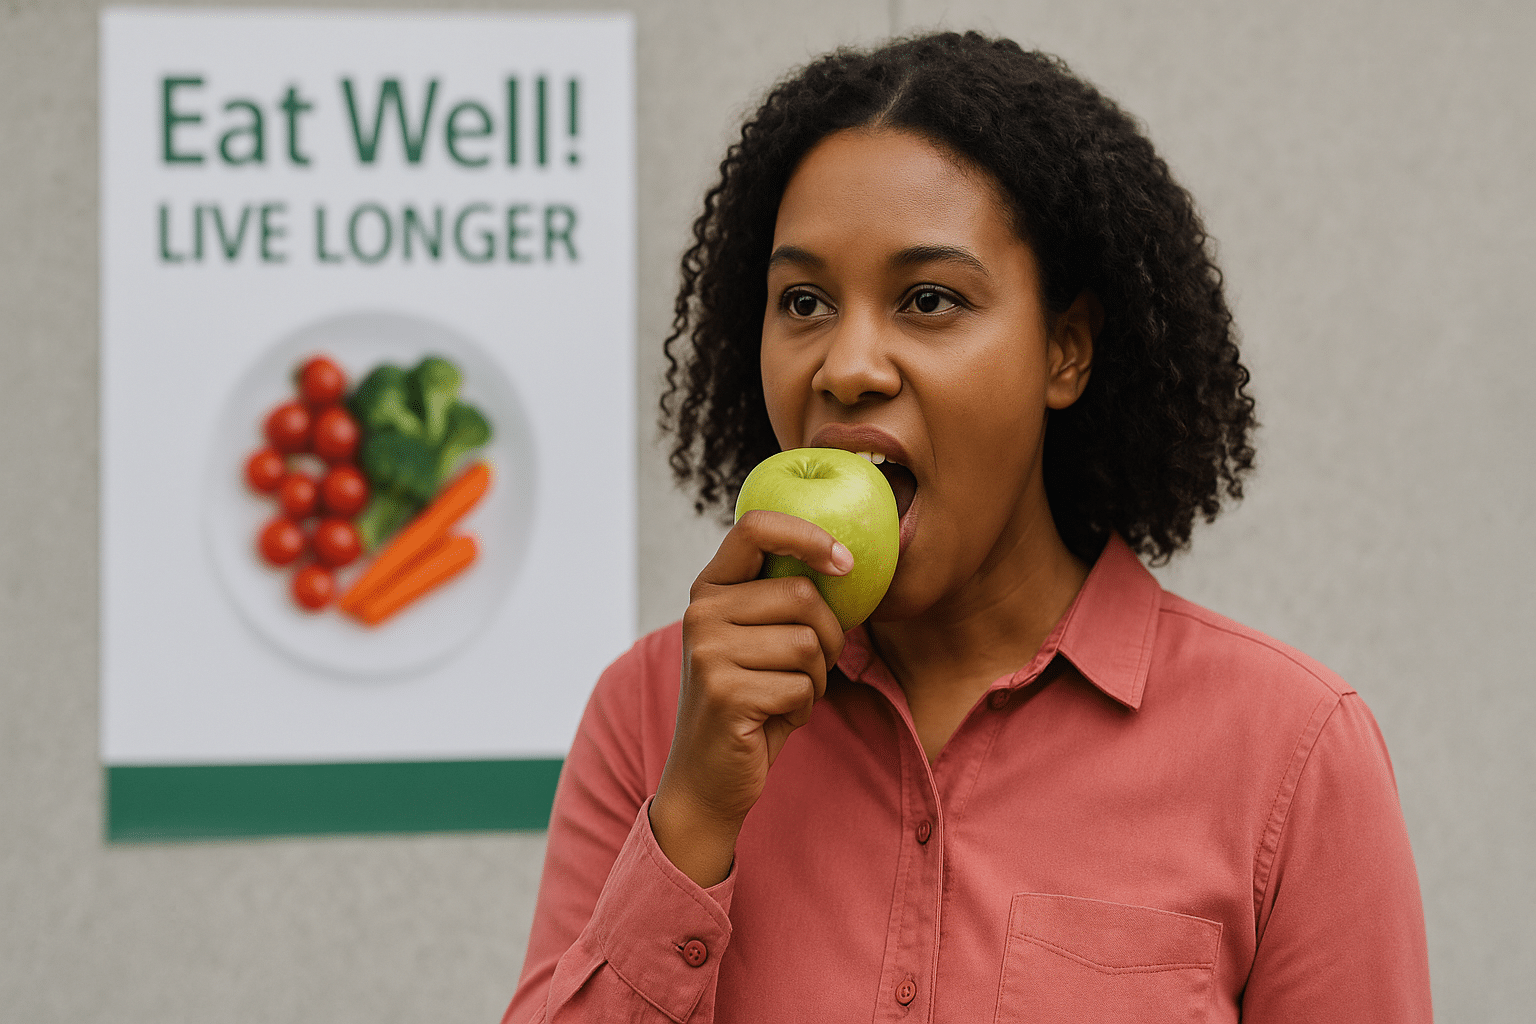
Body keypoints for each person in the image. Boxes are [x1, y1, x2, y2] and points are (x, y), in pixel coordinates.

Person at [503, 31, 1432, 1023]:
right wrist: (691, 818)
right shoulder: (655, 714)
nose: (847, 366)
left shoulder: (1290, 750)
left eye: (929, 299)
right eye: (804, 300)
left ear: (1065, 350)